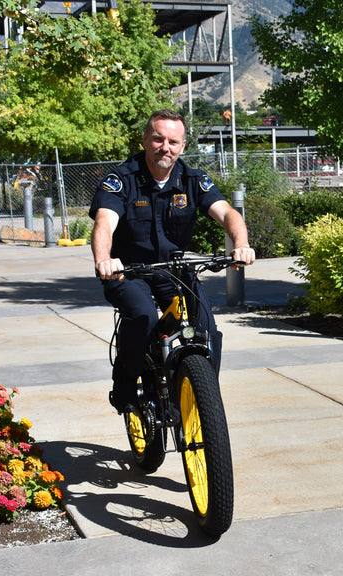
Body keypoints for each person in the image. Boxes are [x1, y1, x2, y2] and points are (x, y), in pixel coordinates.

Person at [89, 109, 256, 413]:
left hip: (174, 270)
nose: (165, 147)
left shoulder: (193, 179)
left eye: (173, 141)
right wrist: (104, 259)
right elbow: (104, 221)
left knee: (206, 328)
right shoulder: (122, 179)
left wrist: (241, 244)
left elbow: (227, 213)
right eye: (158, 139)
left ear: (182, 146)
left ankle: (203, 400)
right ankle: (126, 382)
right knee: (142, 317)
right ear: (145, 139)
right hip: (128, 271)